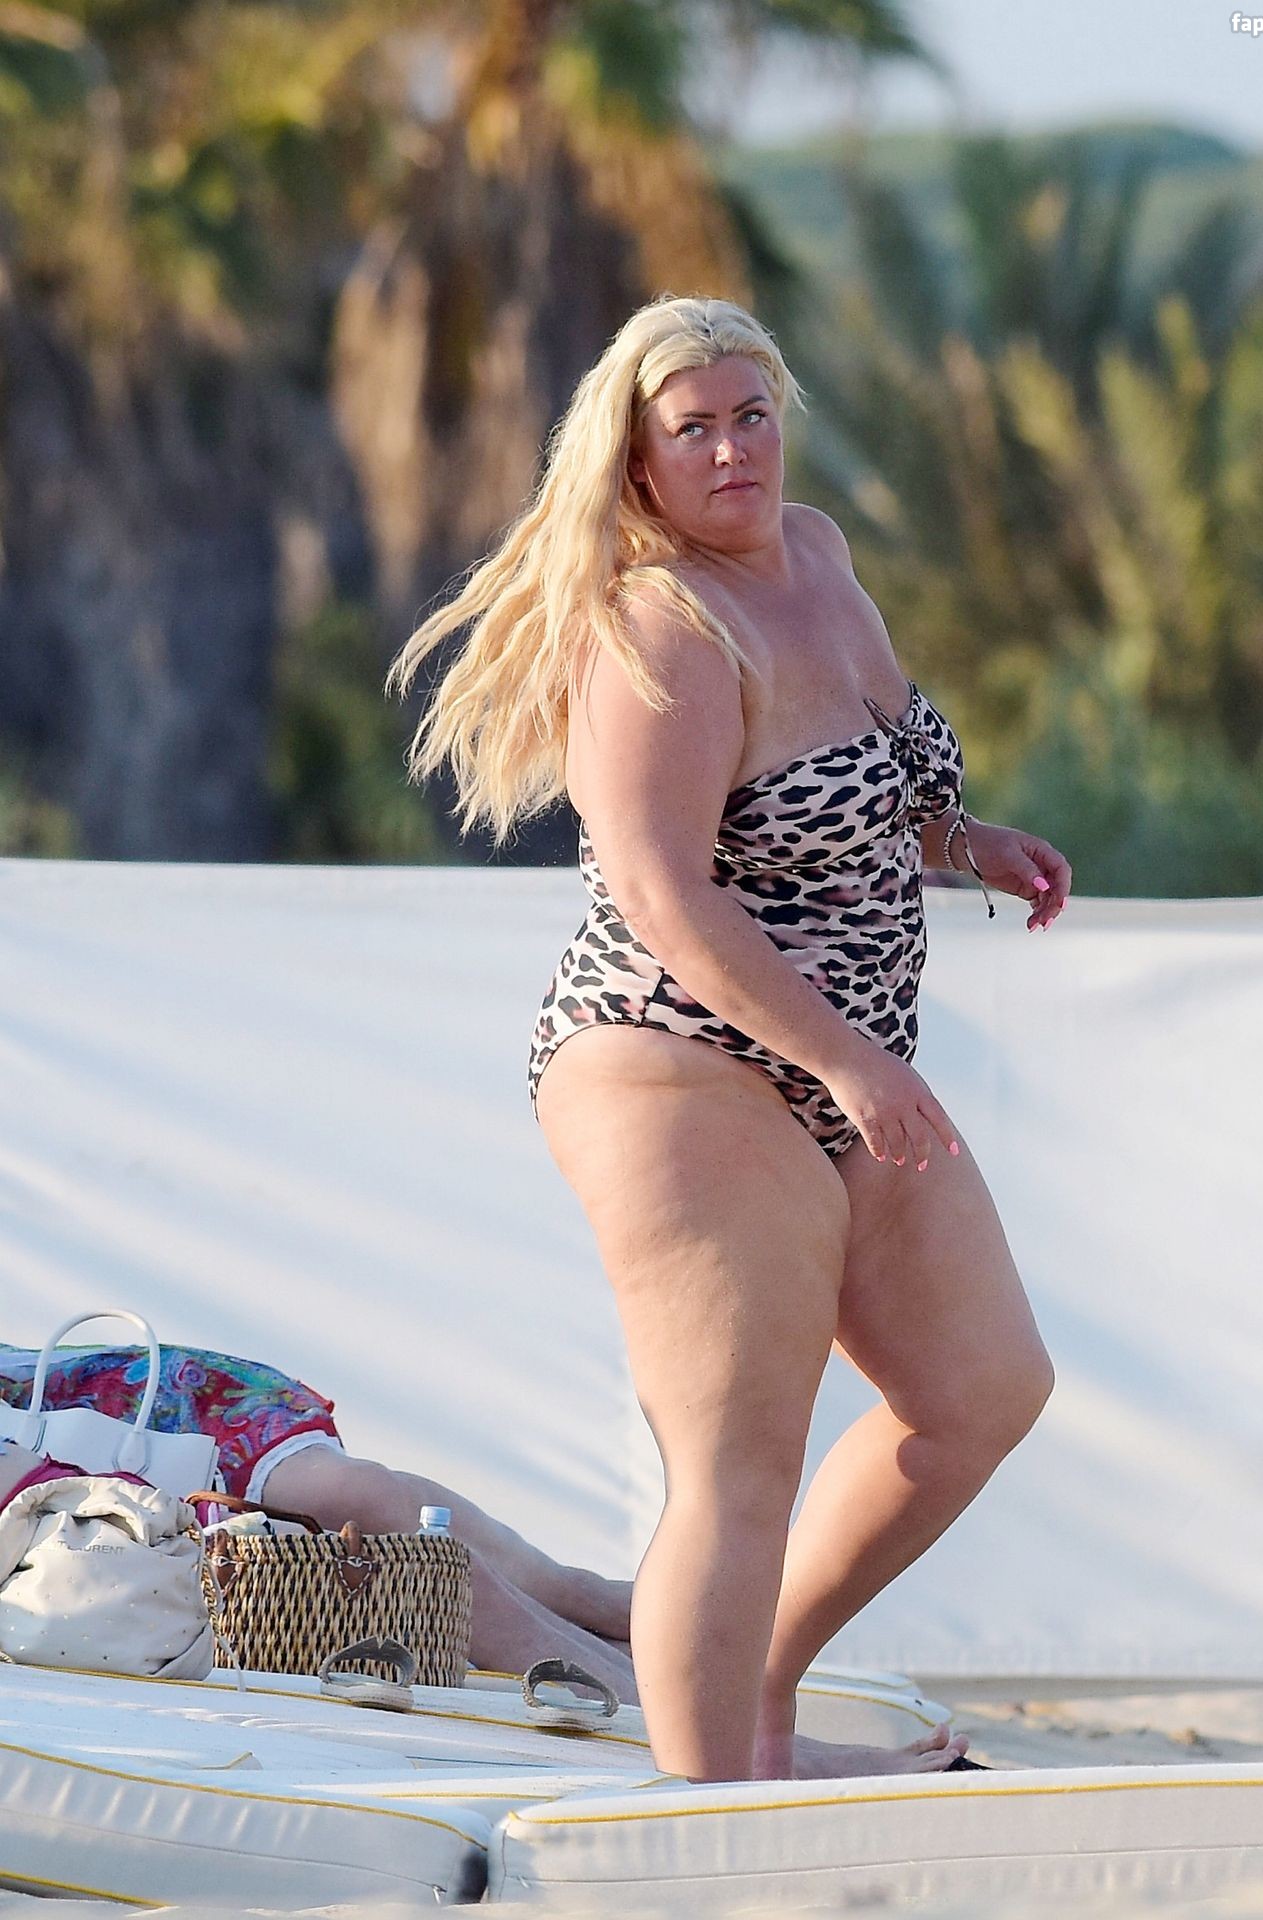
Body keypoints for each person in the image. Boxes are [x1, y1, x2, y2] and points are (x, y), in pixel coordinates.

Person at [387, 294, 1066, 1783]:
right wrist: (847, 1063)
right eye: (690, 429)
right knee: (738, 1456)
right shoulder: (659, 625)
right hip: (672, 1056)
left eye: (750, 415)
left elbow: (869, 784)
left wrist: (966, 842)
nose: (731, 449)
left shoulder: (815, 553)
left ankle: (751, 1696)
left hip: (841, 1055)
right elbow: (661, 893)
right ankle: (706, 1816)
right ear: (636, 463)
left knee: (981, 1391)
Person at [0, 1340, 963, 1778]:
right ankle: (716, 1712)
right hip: (50, 1490)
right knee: (379, 1519)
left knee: (366, 1495)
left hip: (48, 1416)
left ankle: (639, 1630)